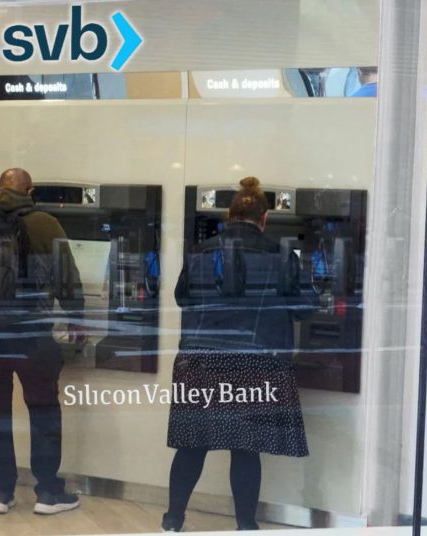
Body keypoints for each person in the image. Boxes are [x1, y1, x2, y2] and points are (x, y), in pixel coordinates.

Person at [163, 177, 309, 532]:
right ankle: (245, 526)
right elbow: (304, 307)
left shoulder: (200, 252)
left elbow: (182, 298)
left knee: (192, 444)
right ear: (264, 218)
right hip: (254, 363)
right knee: (245, 447)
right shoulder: (282, 256)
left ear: (229, 216)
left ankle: (172, 521)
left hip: (200, 361)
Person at [0, 167, 86, 516]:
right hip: (30, 335)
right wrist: (77, 317)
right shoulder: (45, 224)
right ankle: (47, 493)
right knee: (43, 410)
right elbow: (66, 277)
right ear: (30, 190)